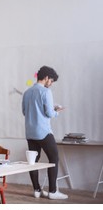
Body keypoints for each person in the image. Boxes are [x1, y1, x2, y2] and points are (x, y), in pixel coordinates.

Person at [22, 65, 68, 200]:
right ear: (46, 78)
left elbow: (25, 112)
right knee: (54, 159)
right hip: (43, 132)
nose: (51, 84)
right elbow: (49, 113)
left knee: (33, 162)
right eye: (51, 81)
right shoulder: (46, 92)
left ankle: (36, 189)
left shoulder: (27, 92)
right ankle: (53, 191)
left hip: (30, 133)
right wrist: (56, 111)